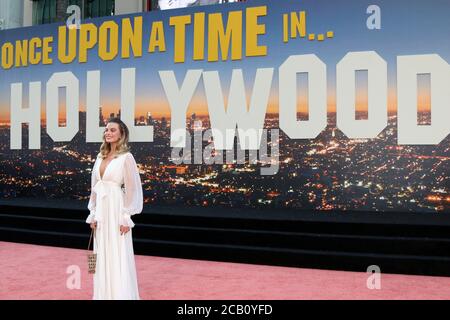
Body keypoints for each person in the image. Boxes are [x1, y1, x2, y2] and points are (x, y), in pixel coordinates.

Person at [86, 117, 143, 300]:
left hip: (116, 210)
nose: (108, 133)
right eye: (106, 130)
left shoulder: (126, 157)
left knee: (117, 253)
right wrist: (93, 213)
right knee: (101, 254)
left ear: (121, 135)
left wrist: (126, 217)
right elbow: (95, 186)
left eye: (112, 130)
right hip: (102, 211)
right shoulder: (100, 156)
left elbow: (132, 189)